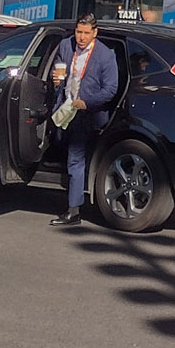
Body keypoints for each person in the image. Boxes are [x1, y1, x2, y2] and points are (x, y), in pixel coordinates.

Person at [48, 13, 119, 227]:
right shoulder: (65, 46)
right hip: (64, 108)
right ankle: (72, 193)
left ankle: (73, 211)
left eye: (86, 33)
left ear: (95, 33)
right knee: (58, 146)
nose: (81, 37)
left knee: (75, 158)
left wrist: (86, 102)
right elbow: (60, 70)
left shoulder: (105, 56)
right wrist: (56, 79)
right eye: (78, 32)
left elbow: (111, 89)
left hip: (87, 113)